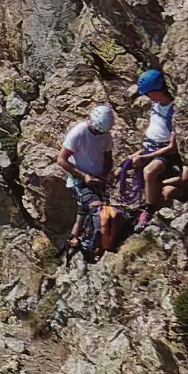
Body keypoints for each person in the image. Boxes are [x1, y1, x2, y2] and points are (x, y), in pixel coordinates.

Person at [61, 90, 124, 256]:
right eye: (97, 131)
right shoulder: (79, 132)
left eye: (101, 132)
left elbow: (107, 158)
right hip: (78, 181)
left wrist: (105, 175)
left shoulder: (105, 135)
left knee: (83, 214)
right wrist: (84, 176)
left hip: (96, 180)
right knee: (97, 210)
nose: (99, 134)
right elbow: (61, 159)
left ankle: (75, 239)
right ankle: (91, 247)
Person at [130, 62, 182, 218]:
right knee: (123, 167)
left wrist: (146, 157)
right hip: (150, 146)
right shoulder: (156, 102)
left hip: (164, 151)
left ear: (155, 91)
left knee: (149, 172)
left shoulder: (174, 110)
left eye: (147, 93)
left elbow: (173, 147)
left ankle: (148, 210)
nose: (146, 97)